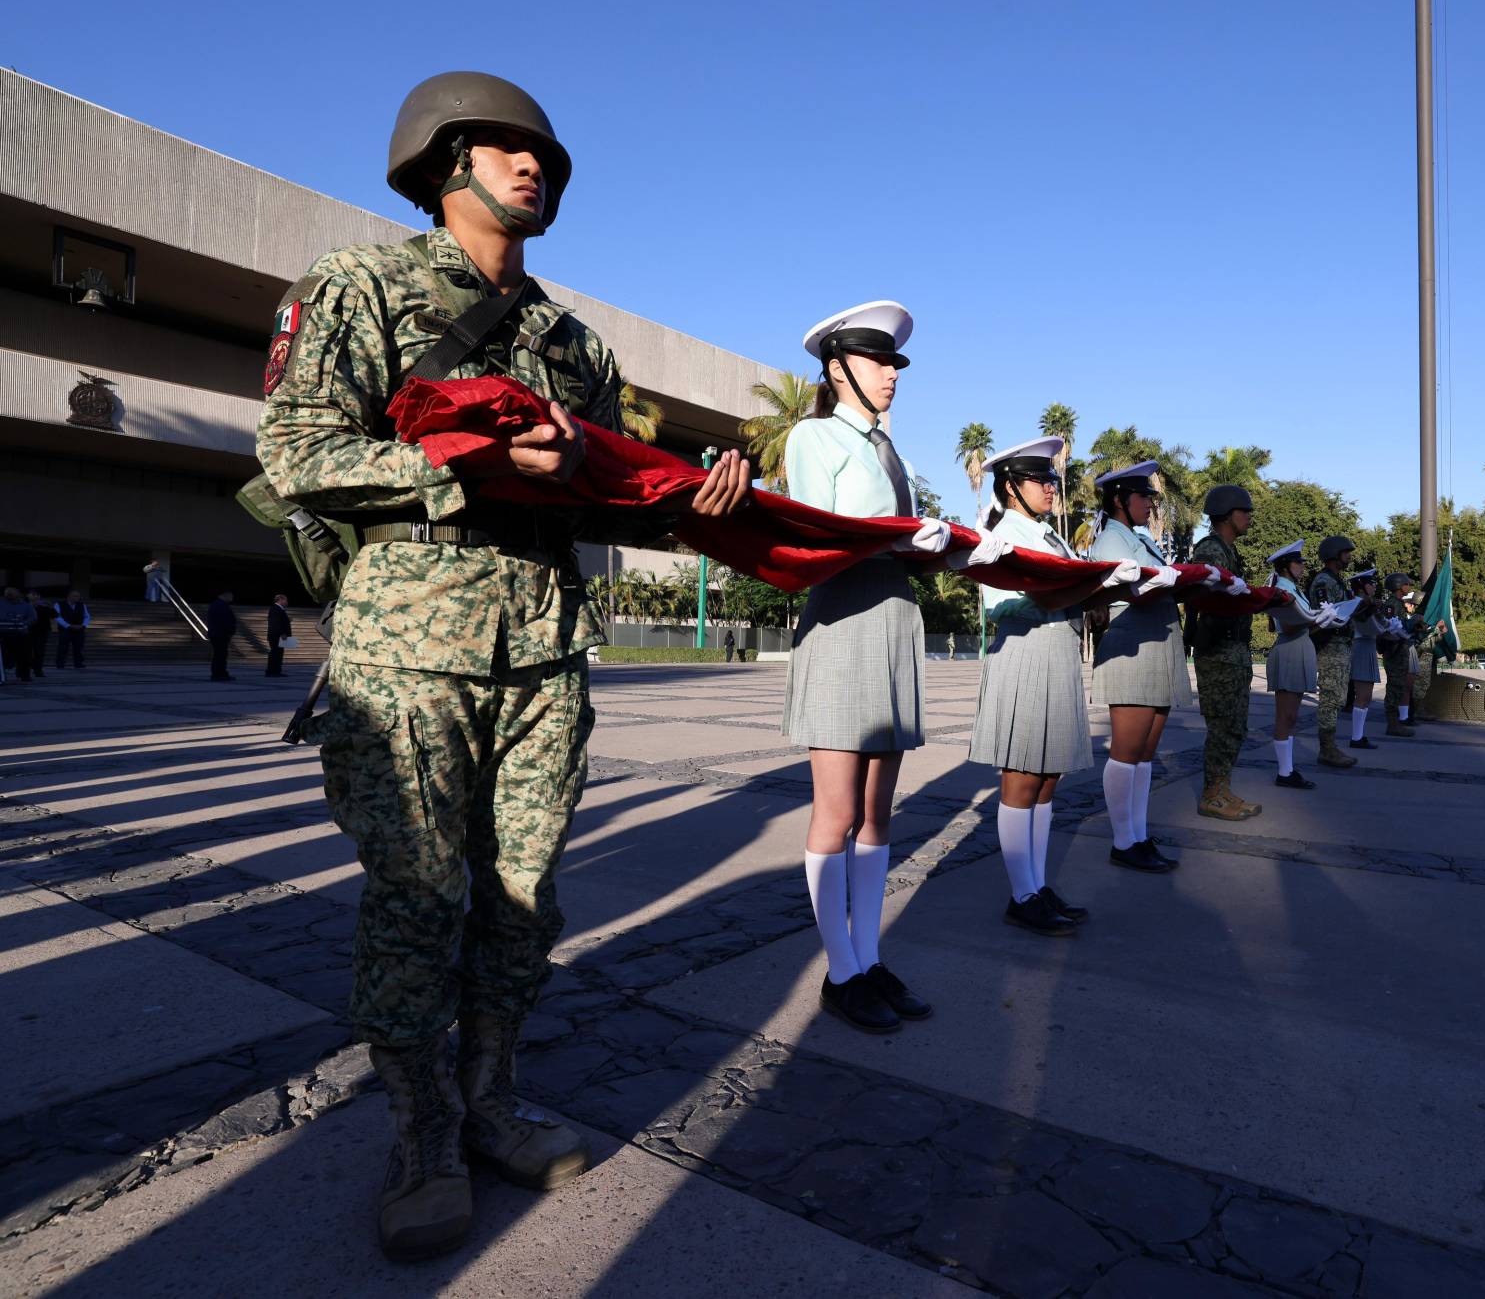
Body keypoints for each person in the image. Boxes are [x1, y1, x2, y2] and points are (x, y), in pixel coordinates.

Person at [257, 72, 752, 1261]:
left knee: (522, 898)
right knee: (420, 897)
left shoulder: (571, 339)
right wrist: (464, 469)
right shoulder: (357, 284)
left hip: (542, 646)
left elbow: (592, 481)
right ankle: (420, 1131)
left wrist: (691, 503)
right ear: (445, 160)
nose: (535, 166)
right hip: (407, 645)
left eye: (547, 155)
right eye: (506, 146)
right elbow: (295, 448)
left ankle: (489, 1100)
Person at [784, 299, 942, 1035]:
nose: (891, 377)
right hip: (845, 619)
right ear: (837, 368)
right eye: (880, 362)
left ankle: (868, 957)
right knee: (839, 812)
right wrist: (902, 538)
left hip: (892, 619)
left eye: (895, 365)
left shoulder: (895, 451)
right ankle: (840, 972)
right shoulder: (814, 437)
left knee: (879, 813)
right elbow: (819, 531)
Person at [971, 437, 1110, 928]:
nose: (1051, 488)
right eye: (1040, 480)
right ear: (1011, 487)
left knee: (1049, 776)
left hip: (1056, 654)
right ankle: (1021, 893)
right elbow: (1000, 604)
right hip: (1025, 652)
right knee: (1023, 775)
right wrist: (1074, 589)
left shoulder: (1051, 535)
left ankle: (1037, 883)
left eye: (1052, 480)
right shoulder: (1000, 536)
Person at [1089, 461, 1199, 872]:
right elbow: (1127, 588)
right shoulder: (1111, 540)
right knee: (1127, 750)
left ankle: (1137, 832)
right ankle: (1123, 840)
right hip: (1132, 643)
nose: (1150, 505)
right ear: (1120, 499)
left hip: (1155, 642)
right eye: (1143, 497)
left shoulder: (1137, 538)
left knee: (1146, 751)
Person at [1188, 485, 1262, 820]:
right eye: (1244, 512)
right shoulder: (1210, 549)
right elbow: (1204, 594)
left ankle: (1222, 789)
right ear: (1227, 515)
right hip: (1217, 650)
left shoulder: (1229, 551)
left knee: (1235, 725)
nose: (1249, 517)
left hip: (1233, 649)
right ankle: (1211, 795)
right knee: (1222, 724)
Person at [1264, 541, 1335, 786]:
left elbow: (1302, 624)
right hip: (1290, 649)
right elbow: (1290, 625)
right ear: (1285, 566)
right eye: (1298, 563)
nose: (1302, 567)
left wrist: (1323, 621)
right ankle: (1284, 773)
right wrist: (1317, 619)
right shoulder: (1283, 590)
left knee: (1291, 716)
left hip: (1299, 646)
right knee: (1286, 715)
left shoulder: (1294, 589)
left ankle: (1287, 769)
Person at [1306, 536, 1361, 769]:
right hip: (1330, 646)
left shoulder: (1338, 581)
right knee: (1330, 698)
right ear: (1334, 554)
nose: (1349, 556)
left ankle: (1330, 746)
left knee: (1337, 697)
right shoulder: (1323, 581)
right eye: (1345, 553)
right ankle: (1327, 749)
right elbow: (1323, 615)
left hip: (1341, 646)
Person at [1379, 572, 1425, 735]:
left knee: (1399, 687)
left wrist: (1415, 625)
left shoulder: (1398, 604)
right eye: (1406, 584)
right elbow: (1392, 627)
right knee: (1395, 687)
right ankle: (1392, 723)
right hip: (1394, 651)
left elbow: (1402, 625)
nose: (1409, 587)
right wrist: (1414, 620)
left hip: (1400, 650)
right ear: (1398, 586)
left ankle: (1395, 722)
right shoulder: (1392, 605)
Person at [1344, 568, 1386, 748]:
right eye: (1371, 583)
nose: (1374, 586)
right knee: (1363, 695)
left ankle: (1359, 736)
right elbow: (1372, 627)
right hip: (1361, 646)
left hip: (1366, 646)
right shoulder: (1359, 604)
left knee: (1365, 696)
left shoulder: (1363, 603)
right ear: (1362, 586)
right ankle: (1356, 737)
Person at [0, 588, 32, 683]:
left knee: (24, 656)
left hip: (21, 634)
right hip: (3, 634)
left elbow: (33, 617)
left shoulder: (26, 605)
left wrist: (23, 623)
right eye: (8, 594)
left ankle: (24, 675)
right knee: (3, 656)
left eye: (12, 594)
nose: (10, 596)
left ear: (18, 594)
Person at [206, 590, 237, 682]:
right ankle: (218, 674)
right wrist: (229, 631)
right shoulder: (220, 605)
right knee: (220, 655)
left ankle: (221, 673)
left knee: (221, 655)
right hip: (220, 634)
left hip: (219, 634)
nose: (232, 598)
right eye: (231, 595)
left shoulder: (218, 604)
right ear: (225, 595)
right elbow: (223, 621)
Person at [54, 590, 89, 669]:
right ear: (69, 596)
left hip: (79, 629)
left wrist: (83, 625)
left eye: (78, 596)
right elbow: (57, 616)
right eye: (75, 596)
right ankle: (60, 663)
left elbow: (87, 616)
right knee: (63, 647)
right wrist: (68, 625)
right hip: (65, 629)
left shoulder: (82, 605)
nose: (78, 598)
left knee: (79, 647)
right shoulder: (59, 604)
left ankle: (78, 663)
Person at [26, 592, 53, 678]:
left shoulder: (44, 606)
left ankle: (38, 670)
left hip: (42, 632)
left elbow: (54, 615)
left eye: (37, 595)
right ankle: (23, 670)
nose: (35, 596)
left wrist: (50, 607)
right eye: (33, 594)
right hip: (27, 631)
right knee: (26, 651)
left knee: (39, 651)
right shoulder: (24, 605)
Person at [267, 594, 293, 677]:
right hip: (277, 636)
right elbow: (275, 623)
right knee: (275, 653)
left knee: (279, 654)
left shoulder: (280, 609)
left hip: (279, 636)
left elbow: (280, 621)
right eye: (286, 600)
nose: (287, 602)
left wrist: (287, 620)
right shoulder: (275, 608)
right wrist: (282, 633)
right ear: (280, 600)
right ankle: (272, 671)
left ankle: (276, 671)